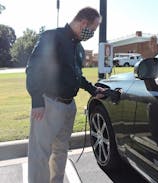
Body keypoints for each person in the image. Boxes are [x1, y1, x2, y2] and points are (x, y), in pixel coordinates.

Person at [26, 7, 105, 183]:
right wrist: (37, 101)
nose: (92, 33)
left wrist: (93, 90)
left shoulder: (78, 48)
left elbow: (77, 76)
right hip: (48, 104)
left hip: (69, 106)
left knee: (60, 151)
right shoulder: (52, 37)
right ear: (83, 23)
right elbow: (33, 69)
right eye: (93, 28)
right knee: (40, 154)